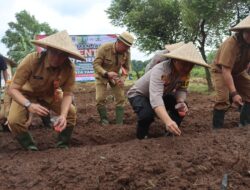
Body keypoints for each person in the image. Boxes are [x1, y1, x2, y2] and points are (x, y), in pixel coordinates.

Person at [7, 30, 85, 151]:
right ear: (48, 49)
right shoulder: (32, 60)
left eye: (62, 54)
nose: (57, 57)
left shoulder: (69, 68)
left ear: (67, 56)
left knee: (70, 113)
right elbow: (13, 89)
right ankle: (30, 147)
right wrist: (28, 105)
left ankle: (62, 144)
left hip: (50, 94)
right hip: (26, 95)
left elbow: (68, 94)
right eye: (54, 52)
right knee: (14, 120)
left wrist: (63, 116)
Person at [127, 42, 210, 139]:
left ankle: (169, 134)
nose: (187, 68)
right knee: (147, 115)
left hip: (161, 93)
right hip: (139, 94)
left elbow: (182, 89)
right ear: (175, 61)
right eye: (183, 64)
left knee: (180, 108)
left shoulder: (185, 73)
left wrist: (180, 101)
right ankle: (141, 138)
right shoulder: (161, 70)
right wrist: (167, 121)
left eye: (190, 65)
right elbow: (156, 98)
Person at [211, 15, 250, 129]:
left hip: (238, 71)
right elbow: (226, 71)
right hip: (220, 70)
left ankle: (245, 124)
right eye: (248, 32)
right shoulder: (231, 44)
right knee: (223, 98)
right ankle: (217, 129)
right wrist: (234, 93)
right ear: (242, 31)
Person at [93, 31, 134, 125]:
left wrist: (123, 79)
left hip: (115, 77)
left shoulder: (126, 52)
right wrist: (106, 73)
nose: (127, 49)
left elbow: (127, 68)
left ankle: (119, 123)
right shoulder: (104, 48)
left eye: (128, 47)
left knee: (120, 98)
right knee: (100, 99)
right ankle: (104, 121)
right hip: (102, 75)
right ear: (118, 42)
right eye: (125, 46)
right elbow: (96, 64)